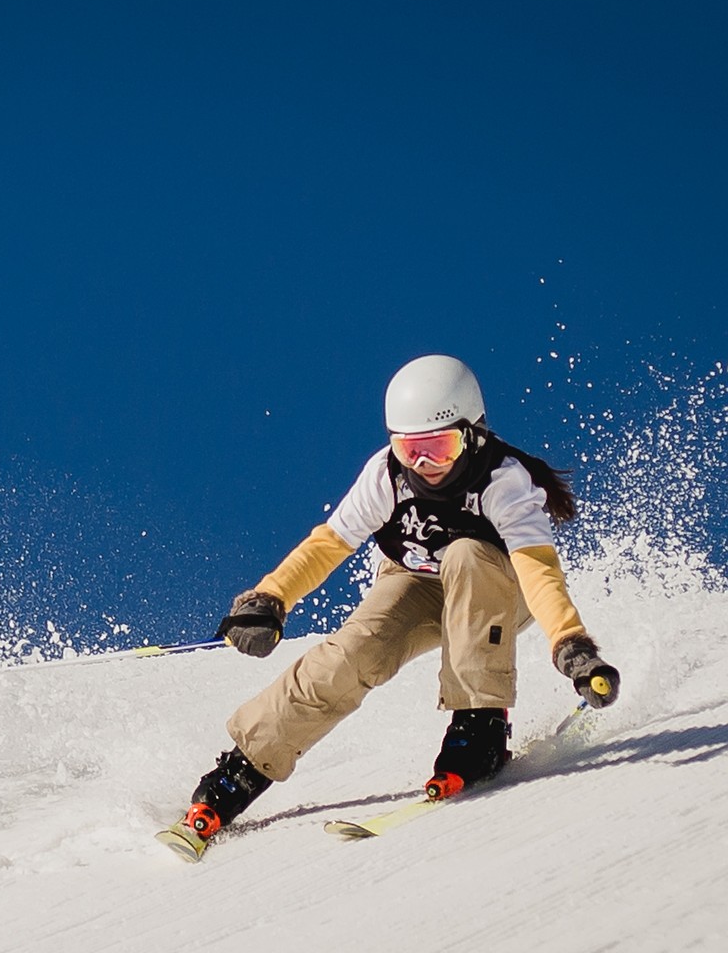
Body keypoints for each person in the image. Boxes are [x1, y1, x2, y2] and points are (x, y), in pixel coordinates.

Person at [175, 354, 620, 846]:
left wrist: (570, 644)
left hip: (495, 592)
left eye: (440, 447)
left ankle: (480, 724)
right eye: (411, 450)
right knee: (351, 652)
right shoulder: (386, 476)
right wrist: (270, 597)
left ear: (472, 434)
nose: (425, 466)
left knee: (469, 553)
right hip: (416, 583)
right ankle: (243, 769)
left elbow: (538, 571)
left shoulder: (503, 482)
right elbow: (328, 545)